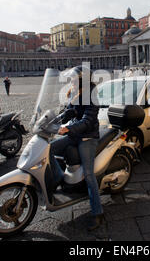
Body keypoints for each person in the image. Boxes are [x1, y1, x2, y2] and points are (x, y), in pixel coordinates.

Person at [48, 65, 103, 231]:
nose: (71, 80)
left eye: (73, 78)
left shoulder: (92, 95)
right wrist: (54, 120)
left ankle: (97, 212)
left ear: (82, 79)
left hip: (87, 137)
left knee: (88, 174)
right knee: (48, 149)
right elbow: (69, 112)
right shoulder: (74, 91)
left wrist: (69, 129)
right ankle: (58, 176)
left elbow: (88, 121)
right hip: (74, 133)